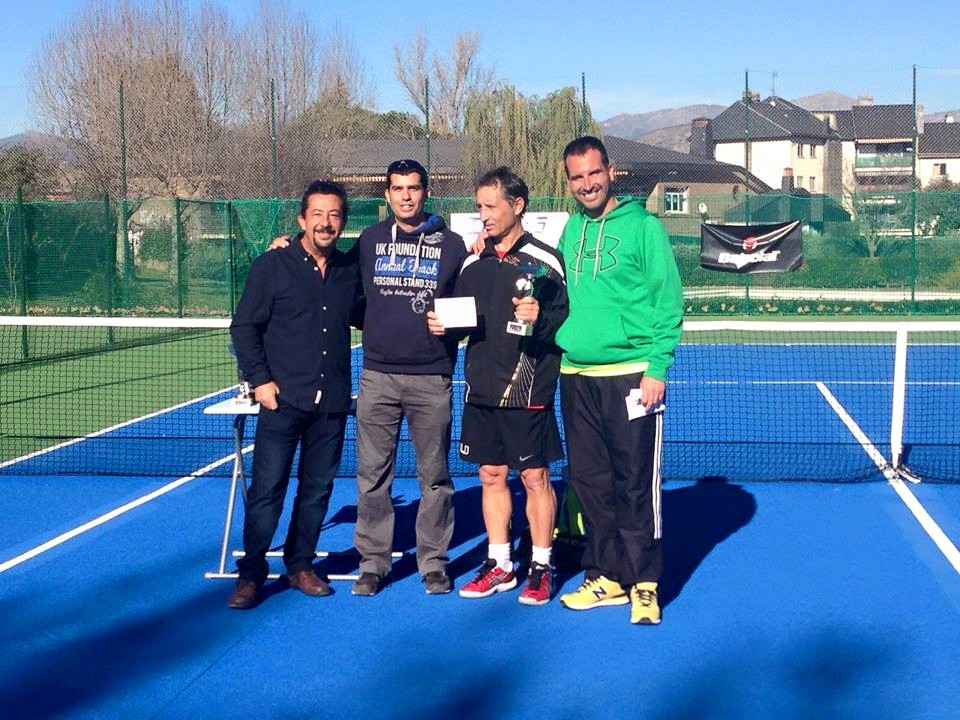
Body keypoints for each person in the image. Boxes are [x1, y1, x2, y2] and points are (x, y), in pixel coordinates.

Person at [269, 159, 467, 596]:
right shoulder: (370, 241)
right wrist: (287, 246)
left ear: (425, 191)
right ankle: (374, 563)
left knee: (435, 477)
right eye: (398, 188)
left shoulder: (454, 245)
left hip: (432, 377)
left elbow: (470, 307)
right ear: (387, 195)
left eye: (413, 188)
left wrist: (452, 326)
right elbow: (327, 266)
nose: (406, 196)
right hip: (377, 376)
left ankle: (433, 562)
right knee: (373, 477)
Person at [554, 136, 684, 625]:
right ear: (569, 181)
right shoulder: (571, 230)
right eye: (577, 177)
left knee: (635, 484)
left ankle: (644, 583)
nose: (587, 184)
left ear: (611, 172)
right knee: (590, 484)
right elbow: (549, 281)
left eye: (594, 173)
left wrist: (657, 368)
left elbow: (667, 300)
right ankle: (606, 575)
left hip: (631, 376)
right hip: (576, 376)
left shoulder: (645, 227)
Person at [428, 166, 568, 605]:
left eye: (491, 206)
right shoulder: (473, 261)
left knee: (534, 477)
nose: (484, 215)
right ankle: (500, 563)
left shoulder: (546, 261)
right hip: (481, 389)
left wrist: (540, 319)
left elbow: (565, 323)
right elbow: (463, 319)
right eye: (479, 207)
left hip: (528, 390)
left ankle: (541, 566)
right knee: (490, 475)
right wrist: (444, 326)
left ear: (517, 205)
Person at [227, 180, 363, 610]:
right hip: (282, 401)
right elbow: (243, 328)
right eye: (317, 214)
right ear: (302, 219)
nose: (325, 223)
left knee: (317, 490)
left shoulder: (349, 271)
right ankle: (251, 573)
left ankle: (300, 565)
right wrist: (261, 381)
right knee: (267, 490)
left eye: (334, 215)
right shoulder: (272, 265)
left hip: (332, 403)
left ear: (343, 222)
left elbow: (373, 314)